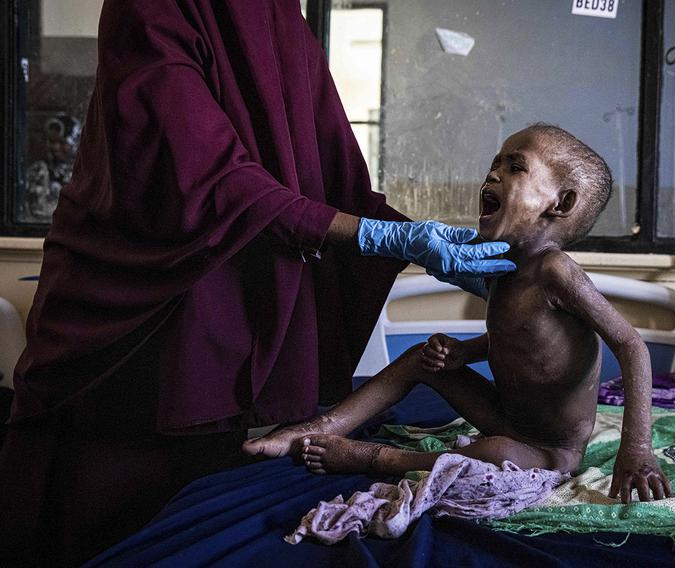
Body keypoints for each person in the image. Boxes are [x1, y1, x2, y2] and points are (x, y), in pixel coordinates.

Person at [0, 1, 513, 565]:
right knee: (108, 511)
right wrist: (390, 239)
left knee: (213, 511)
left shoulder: (279, 16)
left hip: (238, 305)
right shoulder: (149, 8)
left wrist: (422, 242)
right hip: (143, 307)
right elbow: (206, 179)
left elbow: (332, 178)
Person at [244, 124, 672, 504]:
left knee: (496, 456)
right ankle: (323, 425)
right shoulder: (504, 267)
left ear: (560, 203)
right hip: (504, 415)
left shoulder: (555, 270)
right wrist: (465, 354)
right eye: (494, 164)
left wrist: (636, 447)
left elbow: (631, 345)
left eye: (515, 167)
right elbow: (520, 335)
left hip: (547, 447)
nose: (493, 173)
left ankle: (375, 458)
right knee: (419, 358)